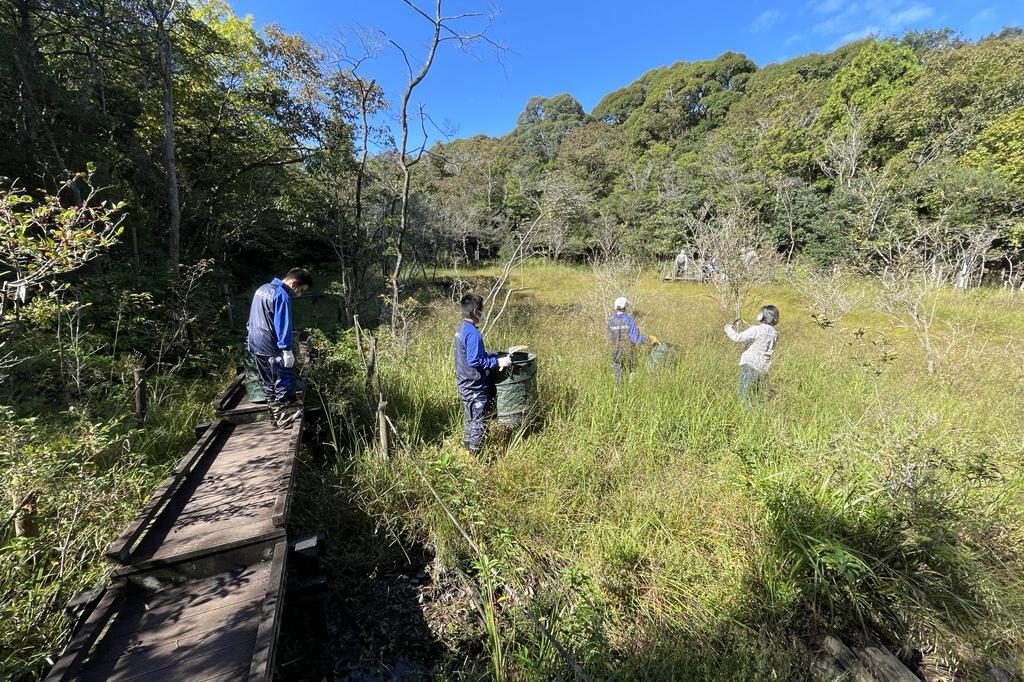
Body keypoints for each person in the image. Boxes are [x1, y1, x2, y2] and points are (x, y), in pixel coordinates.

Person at [247, 267, 313, 427]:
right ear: (295, 283)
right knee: (281, 378)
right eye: (301, 290)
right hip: (271, 344)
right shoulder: (281, 294)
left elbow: (253, 317)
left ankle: (275, 418)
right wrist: (286, 350)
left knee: (267, 381)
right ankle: (283, 417)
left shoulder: (262, 289)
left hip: (256, 342)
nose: (300, 293)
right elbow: (282, 323)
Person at [454, 293, 512, 455]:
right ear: (474, 311)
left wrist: (491, 355)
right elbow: (474, 361)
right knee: (478, 421)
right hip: (474, 384)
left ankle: (467, 450)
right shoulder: (473, 333)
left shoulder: (462, 329)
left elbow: (470, 355)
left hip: (465, 380)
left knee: (471, 418)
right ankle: (475, 456)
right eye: (481, 309)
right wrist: (498, 362)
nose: (482, 312)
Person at [724, 304, 779, 402]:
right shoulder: (775, 334)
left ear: (763, 315)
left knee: (742, 395)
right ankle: (760, 415)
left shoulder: (756, 329)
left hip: (750, 365)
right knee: (756, 396)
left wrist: (728, 328)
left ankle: (745, 415)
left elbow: (737, 338)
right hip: (763, 368)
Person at [606, 297, 657, 385]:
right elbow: (635, 339)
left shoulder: (610, 320)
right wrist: (648, 338)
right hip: (628, 352)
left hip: (615, 352)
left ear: (615, 307)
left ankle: (619, 395)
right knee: (633, 371)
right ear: (626, 307)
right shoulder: (629, 319)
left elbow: (609, 338)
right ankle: (632, 391)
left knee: (618, 379)